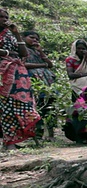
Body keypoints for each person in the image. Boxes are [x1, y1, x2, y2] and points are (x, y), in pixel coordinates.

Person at [0, 8, 41, 150]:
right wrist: (8, 53)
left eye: (6, 17)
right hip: (3, 73)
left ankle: (12, 140)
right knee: (5, 107)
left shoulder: (10, 35)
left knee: (18, 105)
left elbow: (23, 53)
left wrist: (17, 34)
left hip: (17, 73)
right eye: (1, 17)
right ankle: (8, 141)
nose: (4, 19)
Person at [23, 31, 56, 141]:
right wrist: (43, 65)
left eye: (37, 39)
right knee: (38, 106)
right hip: (33, 80)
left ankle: (51, 134)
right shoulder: (22, 50)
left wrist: (41, 52)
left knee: (50, 106)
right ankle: (38, 134)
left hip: (46, 82)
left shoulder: (37, 51)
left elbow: (50, 64)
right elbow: (23, 64)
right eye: (31, 37)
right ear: (23, 38)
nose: (34, 40)